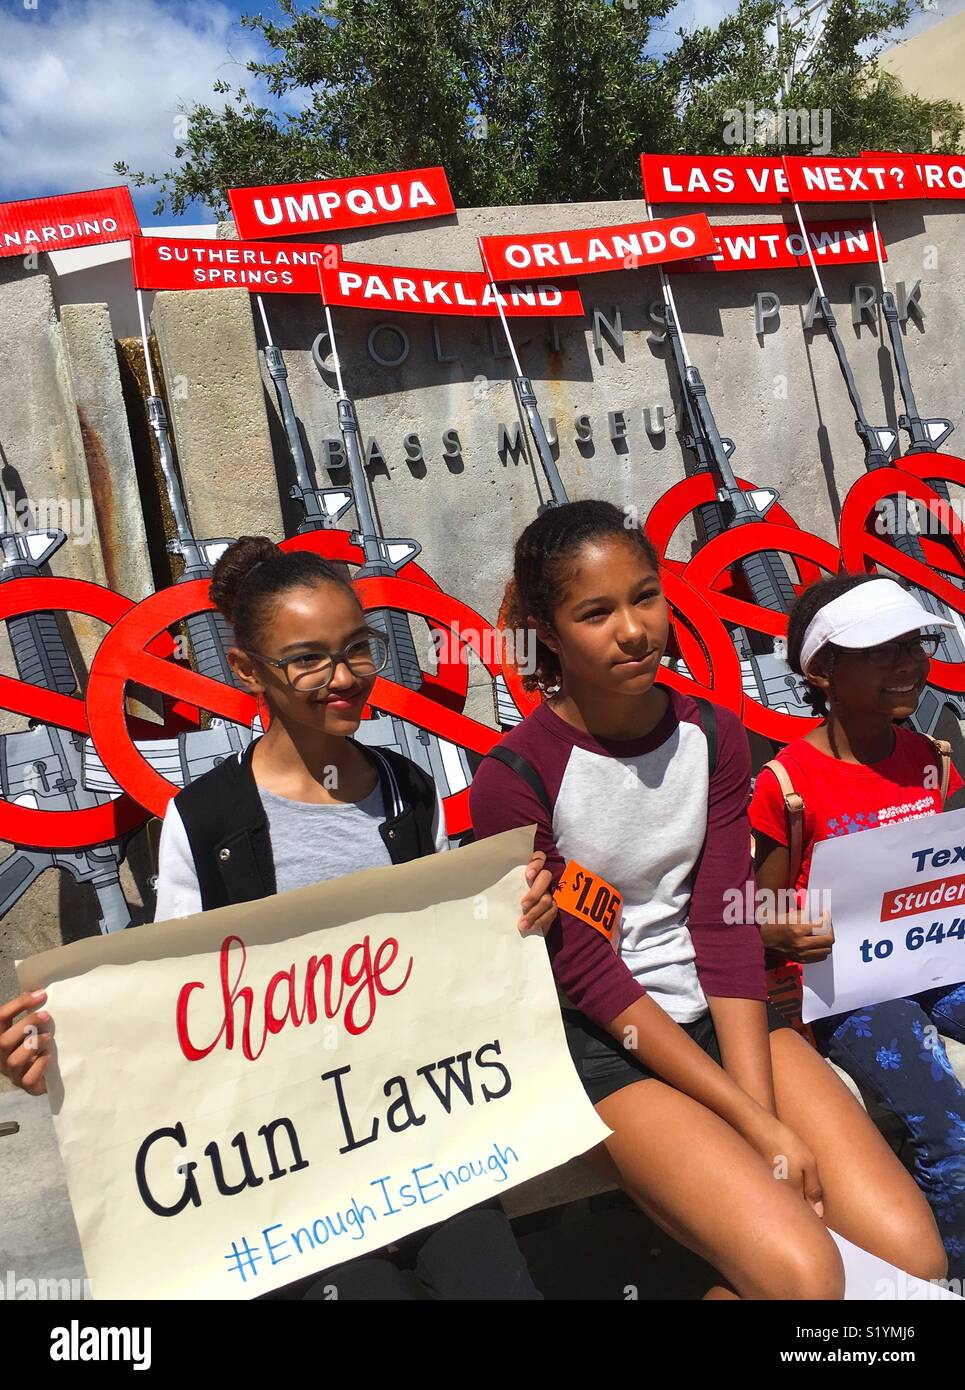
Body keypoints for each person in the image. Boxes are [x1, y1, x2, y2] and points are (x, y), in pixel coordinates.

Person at [1, 536, 557, 1301]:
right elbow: (173, 1006)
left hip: (429, 1139)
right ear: (245, 672)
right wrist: (62, 1059)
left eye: (358, 650)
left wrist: (517, 920)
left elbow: (451, 966)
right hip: (291, 1177)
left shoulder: (409, 792)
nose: (342, 679)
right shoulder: (202, 822)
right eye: (307, 659)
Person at [470, 499, 946, 1299]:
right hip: (604, 1043)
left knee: (915, 1259)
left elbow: (722, 923)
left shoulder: (716, 735)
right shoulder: (512, 779)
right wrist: (759, 1129)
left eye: (645, 596)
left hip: (726, 1012)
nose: (633, 629)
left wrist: (759, 1117)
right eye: (596, 612)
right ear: (547, 634)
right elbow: (585, 974)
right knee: (805, 1278)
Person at [750, 571, 965, 1279]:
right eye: (880, 650)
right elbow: (755, 914)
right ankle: (947, 1274)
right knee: (948, 1130)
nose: (906, 664)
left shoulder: (929, 760)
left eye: (913, 645)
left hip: (936, 965)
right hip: (850, 991)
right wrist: (782, 934)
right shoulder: (785, 784)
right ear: (821, 670)